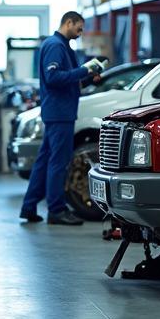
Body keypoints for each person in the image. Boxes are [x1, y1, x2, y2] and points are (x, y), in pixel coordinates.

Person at [19, 11, 103, 226]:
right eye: (79, 27)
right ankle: (56, 210)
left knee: (44, 160)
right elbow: (53, 77)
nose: (80, 32)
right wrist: (83, 69)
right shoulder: (56, 45)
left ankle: (29, 206)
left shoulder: (62, 45)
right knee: (59, 162)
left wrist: (86, 76)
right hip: (60, 113)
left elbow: (67, 77)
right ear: (68, 22)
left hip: (58, 111)